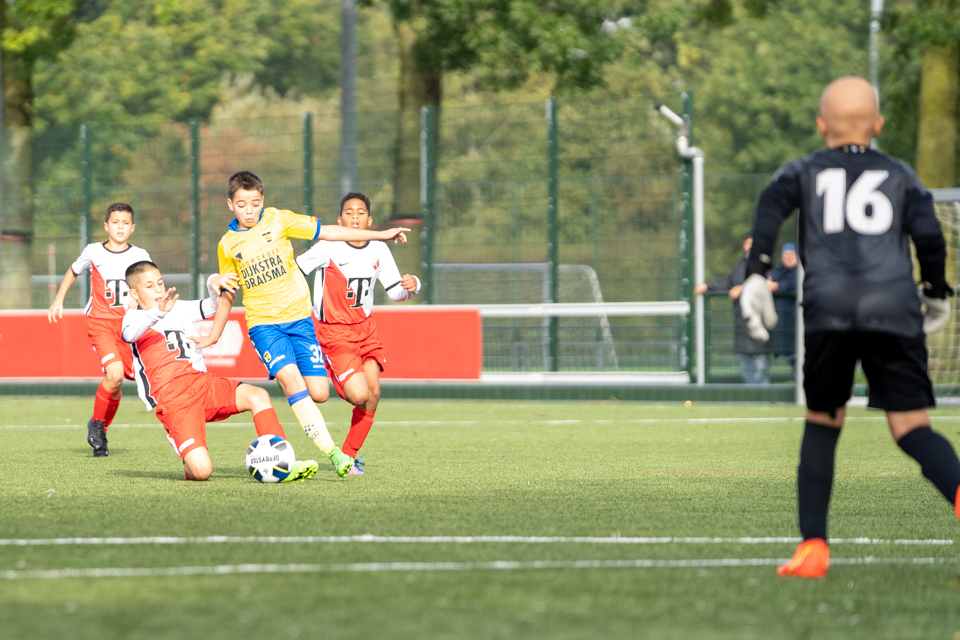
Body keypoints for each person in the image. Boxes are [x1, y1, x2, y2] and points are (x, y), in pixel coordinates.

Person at [739, 76, 960, 578]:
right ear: (878, 125)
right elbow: (929, 236)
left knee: (823, 422)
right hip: (893, 310)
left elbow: (770, 206)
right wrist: (936, 292)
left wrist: (757, 272)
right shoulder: (900, 174)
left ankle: (813, 548)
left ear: (821, 126)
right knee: (911, 428)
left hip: (830, 312)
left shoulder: (802, 170)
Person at [191, 171, 409, 478]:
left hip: (300, 321)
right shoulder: (227, 245)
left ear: (262, 201)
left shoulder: (280, 220)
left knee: (319, 392)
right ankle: (333, 455)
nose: (249, 210)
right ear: (230, 204)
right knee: (292, 381)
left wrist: (381, 234)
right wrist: (214, 333)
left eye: (255, 203)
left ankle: (307, 391)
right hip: (264, 325)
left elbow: (330, 232)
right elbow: (227, 293)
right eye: (242, 204)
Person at [121, 260, 317, 481]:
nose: (158, 289)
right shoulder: (134, 317)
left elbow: (213, 306)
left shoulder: (178, 308)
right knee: (202, 472)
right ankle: (186, 453)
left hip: (201, 384)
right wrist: (157, 312)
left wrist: (212, 280)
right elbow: (128, 334)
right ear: (134, 294)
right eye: (149, 286)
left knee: (258, 396)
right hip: (173, 398)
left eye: (160, 282)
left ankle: (283, 463)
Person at [297, 192, 421, 475]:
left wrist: (414, 286)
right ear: (339, 220)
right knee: (358, 395)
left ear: (370, 219)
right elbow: (296, 270)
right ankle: (326, 362)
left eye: (361, 211)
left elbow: (396, 292)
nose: (355, 216)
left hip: (366, 331)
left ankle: (349, 457)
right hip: (333, 333)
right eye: (349, 212)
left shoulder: (379, 248)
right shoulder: (327, 246)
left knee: (374, 393)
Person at [47, 203, 151, 457]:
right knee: (114, 374)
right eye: (115, 222)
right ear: (106, 226)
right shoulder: (94, 251)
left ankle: (100, 428)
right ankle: (97, 427)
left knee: (121, 384)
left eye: (125, 223)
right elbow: (74, 270)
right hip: (100, 323)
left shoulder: (141, 255)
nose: (120, 227)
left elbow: (150, 285)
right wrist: (58, 299)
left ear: (132, 227)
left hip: (128, 326)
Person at [693, 236, 771, 384]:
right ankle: (751, 395)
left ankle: (763, 395)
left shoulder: (765, 263)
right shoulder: (740, 265)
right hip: (741, 320)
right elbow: (729, 283)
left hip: (759, 319)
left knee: (761, 362)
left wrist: (742, 289)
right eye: (747, 244)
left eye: (753, 244)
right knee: (745, 361)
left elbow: (768, 283)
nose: (750, 247)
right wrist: (707, 286)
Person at [768, 242, 798, 376]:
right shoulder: (779, 270)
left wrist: (777, 286)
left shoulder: (801, 271)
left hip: (797, 326)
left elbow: (795, 282)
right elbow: (769, 281)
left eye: (792, 254)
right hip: (781, 326)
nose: (789, 257)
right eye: (786, 254)